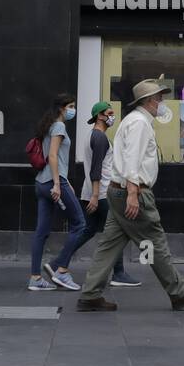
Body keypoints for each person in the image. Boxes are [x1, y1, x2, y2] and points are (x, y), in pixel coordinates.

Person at [77, 77, 184, 312]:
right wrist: (134, 193)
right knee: (155, 242)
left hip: (117, 190)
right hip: (131, 191)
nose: (162, 102)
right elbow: (132, 159)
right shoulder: (139, 123)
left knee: (109, 245)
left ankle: (89, 294)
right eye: (159, 98)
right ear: (148, 101)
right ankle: (179, 292)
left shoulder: (134, 120)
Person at [72, 101, 140, 287]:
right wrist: (96, 195)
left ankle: (58, 262)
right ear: (100, 116)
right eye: (109, 113)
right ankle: (118, 273)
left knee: (89, 230)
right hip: (101, 193)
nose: (112, 116)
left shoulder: (91, 136)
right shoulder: (100, 138)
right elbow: (97, 169)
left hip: (93, 192)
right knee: (116, 231)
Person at [29, 93, 87, 292]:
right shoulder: (59, 126)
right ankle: (61, 269)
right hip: (54, 182)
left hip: (41, 183)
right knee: (80, 223)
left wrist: (64, 181)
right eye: (70, 106)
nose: (73, 110)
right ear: (62, 108)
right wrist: (57, 183)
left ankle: (35, 278)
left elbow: (55, 157)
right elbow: (53, 155)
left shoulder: (48, 126)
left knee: (41, 231)